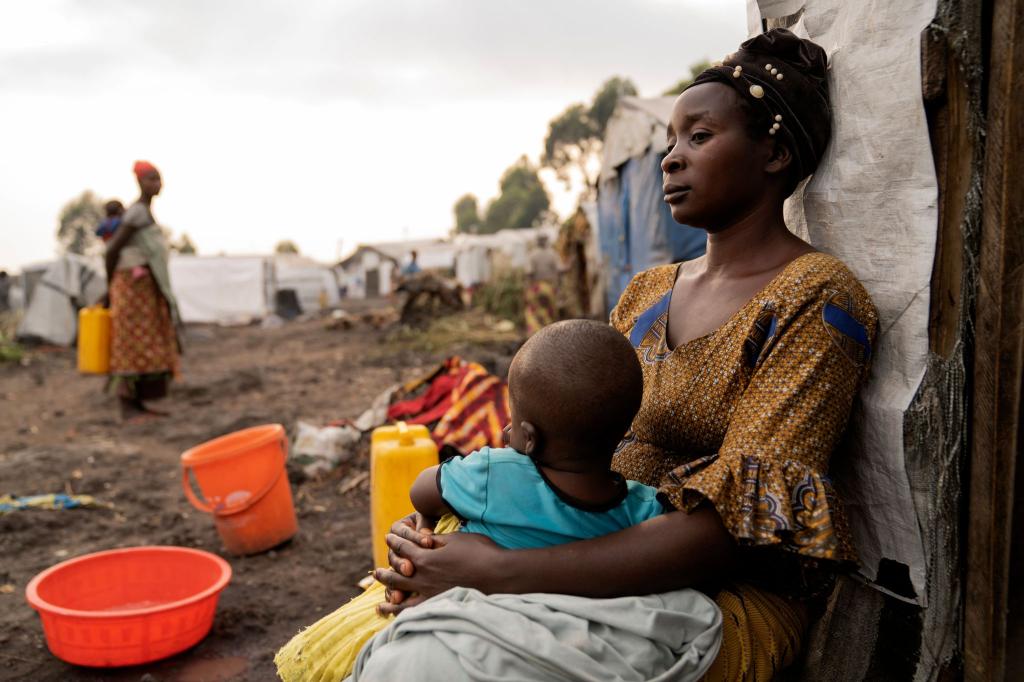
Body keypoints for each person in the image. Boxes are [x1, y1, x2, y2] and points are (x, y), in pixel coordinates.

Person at [362, 29, 879, 681]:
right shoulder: (645, 293)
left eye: (699, 137)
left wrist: (498, 572)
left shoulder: (815, 299)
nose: (670, 159)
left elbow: (733, 535)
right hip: (562, 549)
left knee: (430, 664)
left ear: (773, 152)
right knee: (372, 639)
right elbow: (551, 444)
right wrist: (439, 533)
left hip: (713, 598)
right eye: (670, 140)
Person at [275, 319, 722, 681]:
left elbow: (422, 489)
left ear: (525, 436)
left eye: (513, 419)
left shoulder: (495, 474)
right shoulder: (644, 507)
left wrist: (430, 511)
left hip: (475, 611)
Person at [103, 161, 181, 420]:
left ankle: (138, 404)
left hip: (144, 288)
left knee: (145, 343)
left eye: (158, 178)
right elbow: (112, 250)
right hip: (132, 286)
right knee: (130, 344)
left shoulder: (144, 212)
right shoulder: (136, 212)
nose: (156, 184)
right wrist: (110, 286)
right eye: (151, 179)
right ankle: (127, 404)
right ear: (139, 182)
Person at [524, 233, 561, 334]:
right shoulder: (553, 254)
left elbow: (529, 273)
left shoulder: (532, 254)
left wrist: (527, 289)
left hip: (536, 287)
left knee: (533, 312)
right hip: (549, 287)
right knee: (550, 312)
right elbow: (559, 270)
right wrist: (558, 287)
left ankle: (535, 335)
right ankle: (551, 333)